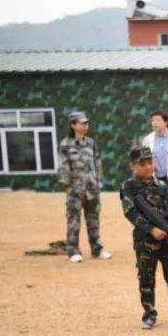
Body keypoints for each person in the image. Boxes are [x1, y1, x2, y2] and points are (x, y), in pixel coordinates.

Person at [119, 146, 168, 330]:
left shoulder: (161, 185)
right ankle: (149, 315)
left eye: (150, 163)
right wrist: (150, 229)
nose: (147, 167)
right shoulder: (128, 186)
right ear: (133, 166)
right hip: (145, 241)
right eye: (142, 164)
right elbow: (130, 212)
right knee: (146, 277)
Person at [57, 111, 111, 263]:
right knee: (73, 221)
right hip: (75, 190)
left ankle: (97, 249)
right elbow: (62, 167)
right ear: (73, 125)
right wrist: (67, 186)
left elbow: (98, 163)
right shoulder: (65, 145)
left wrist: (98, 182)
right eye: (82, 123)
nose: (85, 126)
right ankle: (73, 251)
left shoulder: (91, 143)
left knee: (94, 221)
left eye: (86, 123)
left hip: (92, 189)